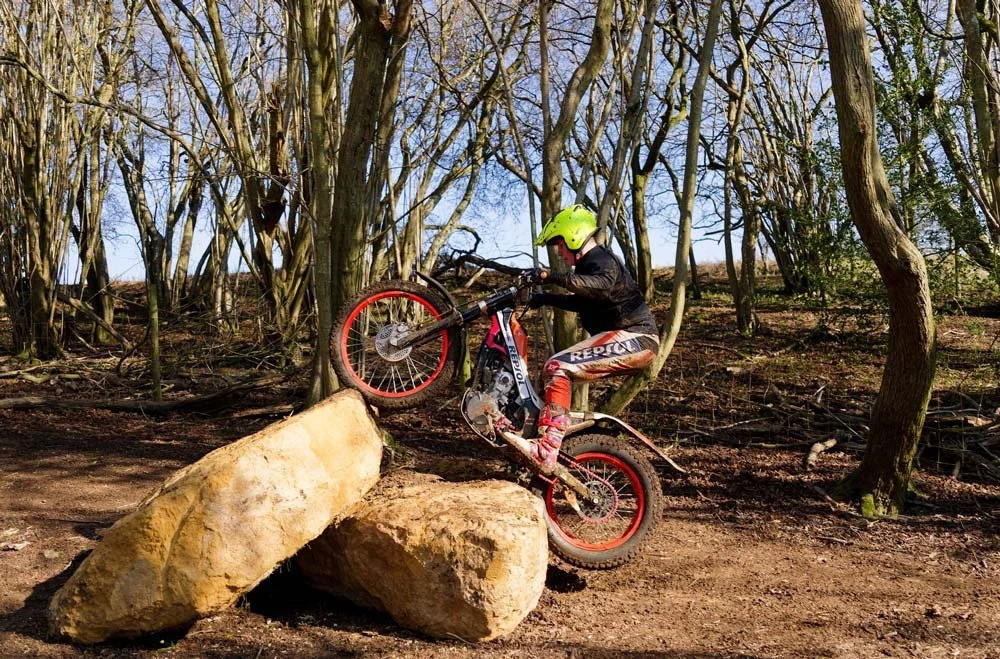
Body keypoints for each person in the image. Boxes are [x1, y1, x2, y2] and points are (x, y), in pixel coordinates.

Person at [527, 204, 660, 467]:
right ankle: (544, 437)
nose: (559, 252)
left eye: (560, 245)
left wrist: (550, 276)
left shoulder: (602, 260)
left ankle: (548, 448)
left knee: (557, 367)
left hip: (636, 337)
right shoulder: (590, 267)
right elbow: (583, 302)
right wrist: (542, 299)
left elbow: (601, 286)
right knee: (549, 379)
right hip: (628, 338)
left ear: (574, 236)